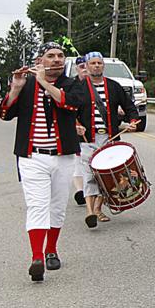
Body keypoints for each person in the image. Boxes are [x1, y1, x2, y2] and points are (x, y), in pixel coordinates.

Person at [0, 42, 86, 282]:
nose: (57, 60)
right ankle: (36, 257)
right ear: (40, 60)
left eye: (60, 56)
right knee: (37, 206)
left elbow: (70, 103)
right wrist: (15, 88)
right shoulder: (25, 84)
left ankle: (51, 250)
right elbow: (5, 113)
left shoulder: (71, 83)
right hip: (32, 156)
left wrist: (45, 83)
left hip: (63, 155)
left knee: (57, 207)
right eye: (51, 56)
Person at [75, 51, 140, 229]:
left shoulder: (113, 86)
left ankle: (97, 208)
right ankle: (90, 211)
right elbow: (69, 111)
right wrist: (76, 125)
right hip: (88, 139)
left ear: (103, 66)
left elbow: (129, 106)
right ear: (86, 66)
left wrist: (133, 121)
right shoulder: (79, 88)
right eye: (93, 63)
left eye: (99, 63)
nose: (96, 66)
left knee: (107, 174)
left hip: (110, 136)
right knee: (89, 175)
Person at [71, 56, 88, 206]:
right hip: (75, 130)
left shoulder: (98, 84)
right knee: (78, 162)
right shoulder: (72, 85)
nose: (85, 69)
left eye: (86, 66)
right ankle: (80, 191)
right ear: (76, 68)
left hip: (96, 130)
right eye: (82, 66)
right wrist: (75, 124)